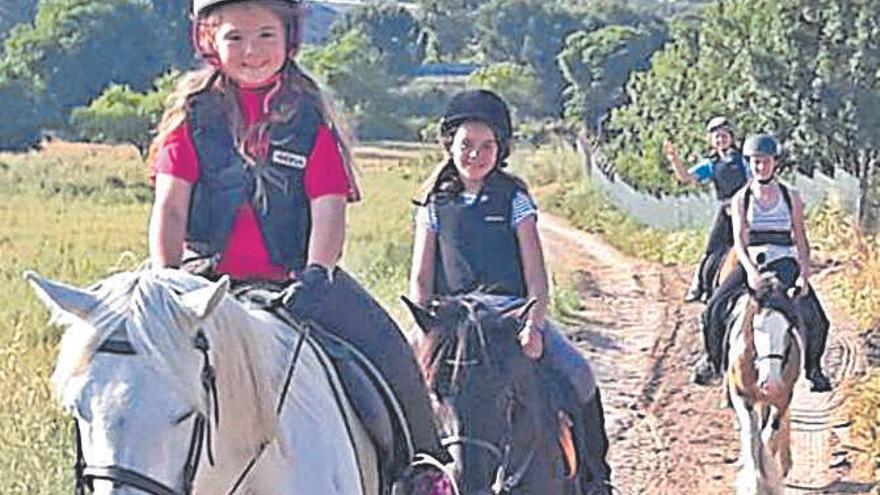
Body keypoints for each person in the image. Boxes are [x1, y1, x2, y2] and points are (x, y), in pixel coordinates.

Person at [146, 0, 451, 491]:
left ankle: (423, 467)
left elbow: (327, 209)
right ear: (209, 41)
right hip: (203, 285)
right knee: (120, 358)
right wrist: (167, 277)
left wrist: (317, 272)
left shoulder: (309, 123)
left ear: (289, 39)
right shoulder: (191, 121)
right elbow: (171, 208)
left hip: (295, 284)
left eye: (266, 35)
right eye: (236, 37)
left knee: (388, 348)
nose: (252, 51)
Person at [408, 89, 612, 495]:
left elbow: (536, 276)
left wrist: (534, 327)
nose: (475, 155)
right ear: (450, 145)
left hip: (508, 318)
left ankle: (594, 476)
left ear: (500, 149)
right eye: (467, 145)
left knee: (579, 376)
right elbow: (420, 278)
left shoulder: (514, 198)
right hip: (451, 324)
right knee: (406, 389)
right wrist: (421, 329)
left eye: (487, 146)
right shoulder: (433, 204)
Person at [694, 133, 832, 392]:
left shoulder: (790, 196)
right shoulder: (741, 199)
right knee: (712, 310)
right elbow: (739, 242)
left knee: (818, 320)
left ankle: (814, 369)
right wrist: (750, 272)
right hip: (751, 264)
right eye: (755, 162)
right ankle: (712, 362)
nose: (760, 167)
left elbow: (801, 239)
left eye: (764, 161)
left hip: (784, 261)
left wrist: (804, 274)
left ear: (775, 163)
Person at [665, 117, 750, 302]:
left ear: (731, 137)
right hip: (727, 212)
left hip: (748, 210)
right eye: (716, 137)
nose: (721, 140)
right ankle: (699, 286)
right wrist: (675, 160)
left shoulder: (744, 160)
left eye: (724, 135)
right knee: (712, 250)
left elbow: (753, 181)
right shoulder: (710, 164)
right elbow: (685, 178)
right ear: (711, 140)